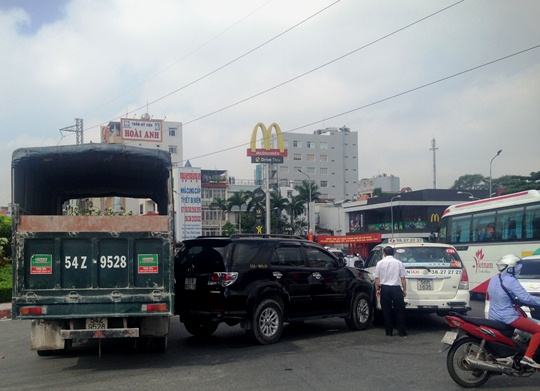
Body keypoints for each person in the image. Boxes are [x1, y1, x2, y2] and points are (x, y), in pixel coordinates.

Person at [487, 254, 540, 368]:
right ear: (510, 268)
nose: (518, 270)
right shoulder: (510, 281)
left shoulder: (494, 278)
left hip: (493, 316)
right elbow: (526, 298)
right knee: (538, 330)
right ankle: (528, 358)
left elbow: (499, 296)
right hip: (507, 317)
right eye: (517, 267)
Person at [374, 246, 407, 337]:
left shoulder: (380, 263)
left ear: (384, 253)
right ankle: (401, 332)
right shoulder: (399, 263)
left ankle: (389, 332)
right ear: (393, 253)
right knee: (400, 310)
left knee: (386, 311)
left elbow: (377, 278)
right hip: (396, 288)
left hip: (385, 288)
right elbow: (403, 278)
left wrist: (377, 290)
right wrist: (404, 290)